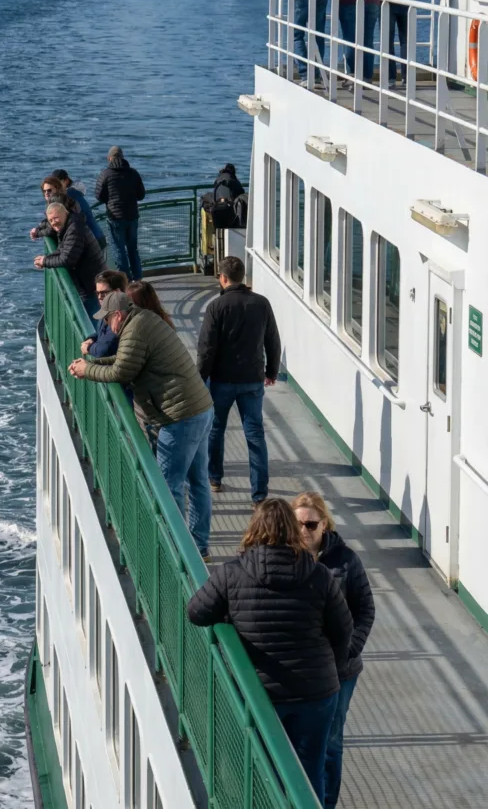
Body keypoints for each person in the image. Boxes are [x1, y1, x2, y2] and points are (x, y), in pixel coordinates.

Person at [188, 498, 352, 807]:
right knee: (310, 773)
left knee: (257, 771)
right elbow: (343, 632)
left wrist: (229, 616)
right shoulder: (319, 575)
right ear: (292, 530)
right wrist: (332, 670)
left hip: (260, 694)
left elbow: (196, 612)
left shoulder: (231, 573)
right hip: (316, 693)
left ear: (254, 530)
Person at [68, 291, 214, 559]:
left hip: (178, 417)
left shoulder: (134, 330)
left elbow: (121, 371)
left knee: (168, 487)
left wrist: (87, 370)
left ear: (118, 316)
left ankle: (177, 552)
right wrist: (92, 362)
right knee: (198, 482)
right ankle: (200, 547)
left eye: (107, 319)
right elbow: (126, 360)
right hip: (200, 408)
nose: (106, 327)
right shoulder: (143, 320)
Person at [292, 492, 375, 809]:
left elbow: (365, 609)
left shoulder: (346, 561)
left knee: (330, 743)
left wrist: (350, 650)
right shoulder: (286, 557)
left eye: (311, 524)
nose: (304, 531)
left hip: (340, 672)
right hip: (303, 671)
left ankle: (325, 804)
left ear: (324, 524)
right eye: (298, 523)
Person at [197, 256, 280, 503]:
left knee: (215, 429)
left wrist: (200, 379)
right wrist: (271, 372)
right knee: (255, 434)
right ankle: (259, 494)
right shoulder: (262, 304)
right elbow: (272, 341)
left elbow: (206, 349)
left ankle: (215, 478)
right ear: (242, 276)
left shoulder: (216, 307)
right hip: (252, 379)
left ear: (222, 278)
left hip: (221, 380)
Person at [33, 201, 105, 319]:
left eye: (56, 218)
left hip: (91, 281)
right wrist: (46, 258)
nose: (54, 222)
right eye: (51, 220)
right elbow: (63, 249)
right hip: (89, 279)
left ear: (65, 214)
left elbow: (67, 259)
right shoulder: (69, 225)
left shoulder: (74, 229)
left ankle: (94, 336)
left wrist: (45, 261)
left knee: (93, 317)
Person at [95, 146, 146, 279]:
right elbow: (141, 195)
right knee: (133, 250)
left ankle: (125, 280)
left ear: (109, 158)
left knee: (118, 250)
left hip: (115, 217)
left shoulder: (105, 174)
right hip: (132, 216)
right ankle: (138, 279)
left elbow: (99, 196)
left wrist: (110, 200)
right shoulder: (133, 173)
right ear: (123, 157)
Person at [51, 168, 106, 249]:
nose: (56, 187)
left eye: (58, 183)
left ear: (66, 181)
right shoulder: (75, 193)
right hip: (97, 236)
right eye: (54, 184)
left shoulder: (69, 194)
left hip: (92, 240)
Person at [81, 269, 128, 358]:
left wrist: (89, 348)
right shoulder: (107, 311)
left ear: (117, 292)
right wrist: (91, 339)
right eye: (97, 293)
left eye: (103, 293)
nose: (99, 297)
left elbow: (105, 349)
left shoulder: (120, 316)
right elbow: (101, 334)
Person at [30, 176, 79, 241]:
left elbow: (52, 230)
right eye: (44, 191)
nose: (46, 193)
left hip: (71, 237)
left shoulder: (59, 203)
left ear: (57, 188)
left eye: (49, 190)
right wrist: (38, 228)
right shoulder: (52, 202)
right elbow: (47, 221)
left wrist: (37, 234)